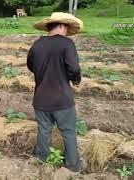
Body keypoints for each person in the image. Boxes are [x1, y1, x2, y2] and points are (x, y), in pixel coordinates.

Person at [27, 12, 85, 172]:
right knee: (68, 131)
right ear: (62, 26)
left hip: (40, 99)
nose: (67, 32)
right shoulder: (67, 44)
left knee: (44, 130)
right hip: (61, 100)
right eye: (66, 28)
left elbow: (30, 65)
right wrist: (76, 79)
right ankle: (73, 165)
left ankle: (42, 161)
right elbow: (73, 68)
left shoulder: (37, 44)